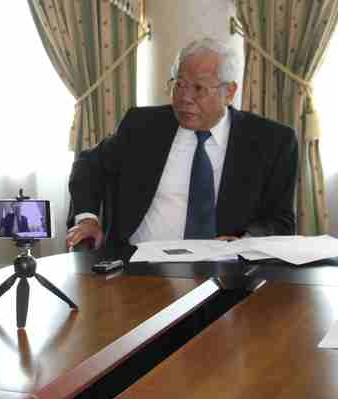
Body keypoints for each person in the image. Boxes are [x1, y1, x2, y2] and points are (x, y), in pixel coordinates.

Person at [66, 38, 298, 250]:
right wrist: (87, 219)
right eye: (179, 85)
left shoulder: (271, 141)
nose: (185, 98)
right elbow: (89, 164)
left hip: (224, 268)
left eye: (198, 88)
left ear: (229, 92)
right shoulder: (142, 126)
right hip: (136, 264)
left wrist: (245, 241)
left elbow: (281, 220)